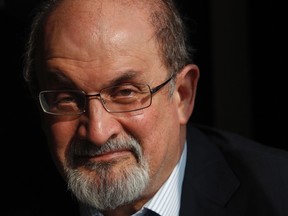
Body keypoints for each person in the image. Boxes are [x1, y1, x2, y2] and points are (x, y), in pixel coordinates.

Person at [21, 0, 288, 215]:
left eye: (125, 93)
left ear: (182, 96)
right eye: (66, 98)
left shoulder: (277, 193)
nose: (97, 132)